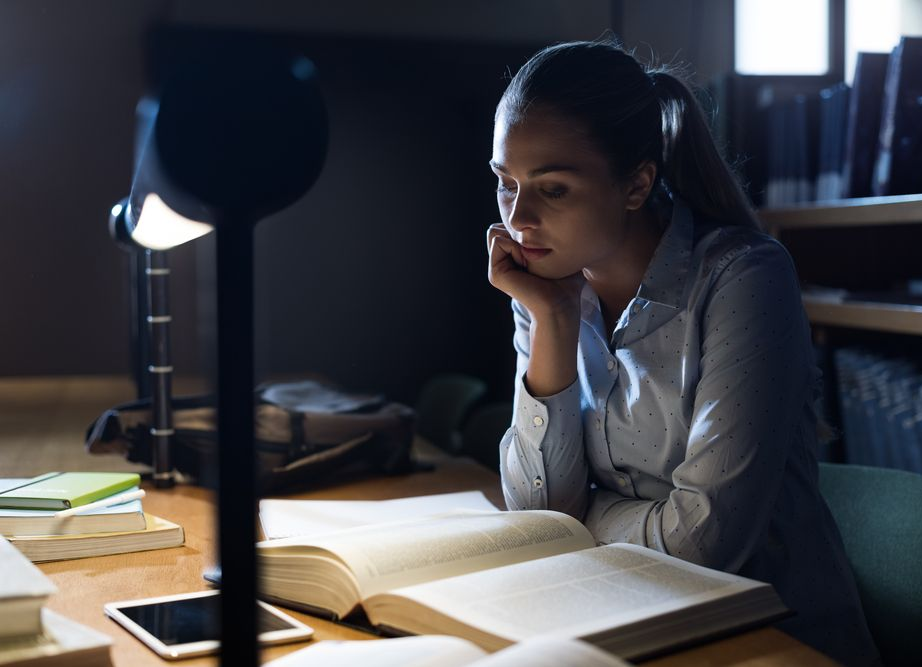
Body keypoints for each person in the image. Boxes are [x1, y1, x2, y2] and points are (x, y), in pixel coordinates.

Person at [486, 39, 879, 666]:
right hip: (617, 616)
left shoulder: (743, 279)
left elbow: (705, 544)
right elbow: (535, 516)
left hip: (769, 643)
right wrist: (554, 320)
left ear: (637, 184)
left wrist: (582, 517)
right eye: (506, 183)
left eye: (552, 190)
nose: (519, 219)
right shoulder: (546, 285)